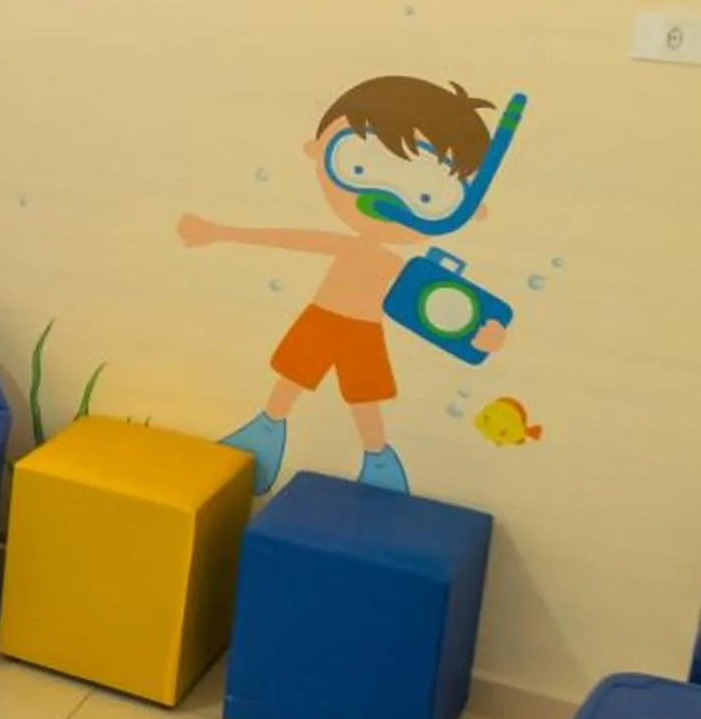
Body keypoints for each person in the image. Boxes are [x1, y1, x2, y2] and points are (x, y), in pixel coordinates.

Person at [179, 76, 508, 495]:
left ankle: (377, 458)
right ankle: (267, 430)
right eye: (358, 166)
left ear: (467, 211)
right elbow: (295, 239)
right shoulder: (352, 248)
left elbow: (444, 315)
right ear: (316, 151)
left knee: (363, 399)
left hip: (362, 331)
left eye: (427, 195)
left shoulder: (405, 269)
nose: (383, 200)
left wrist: (485, 337)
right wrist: (222, 232)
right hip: (323, 318)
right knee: (292, 379)